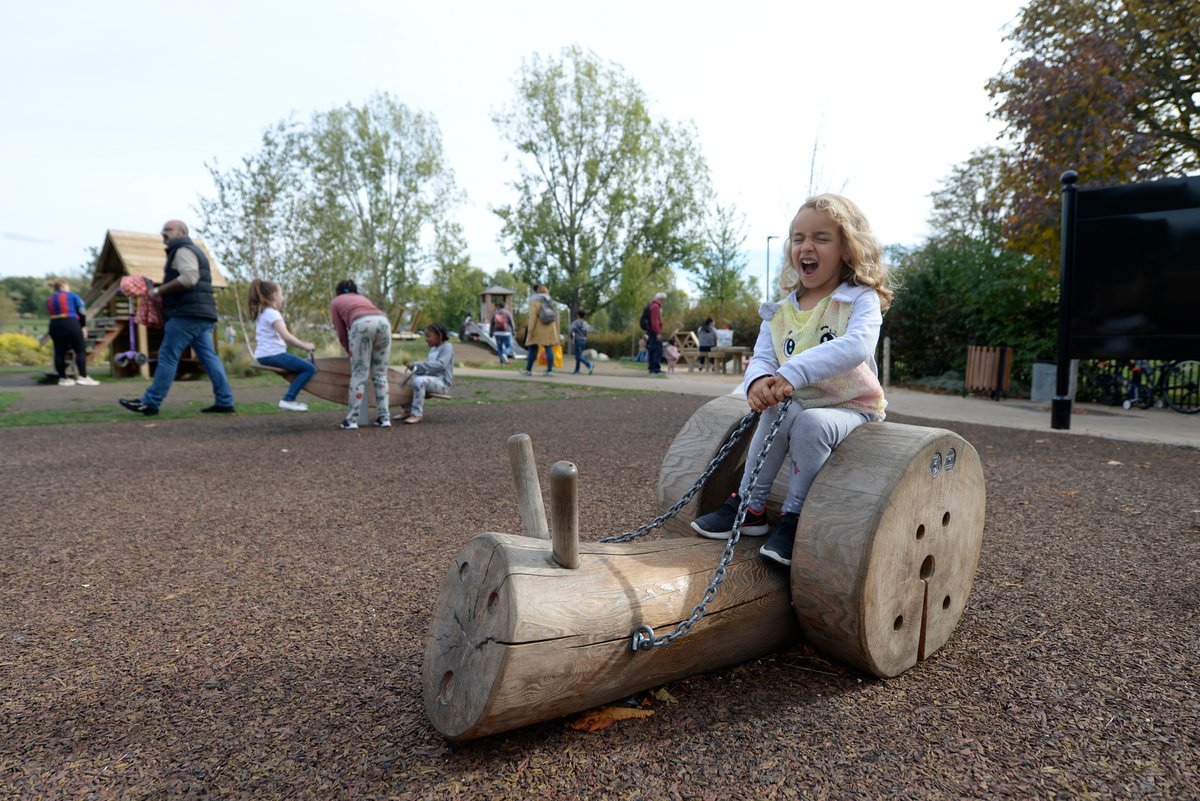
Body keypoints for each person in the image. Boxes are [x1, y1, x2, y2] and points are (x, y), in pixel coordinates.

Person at [690, 194, 891, 568]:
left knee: (810, 424)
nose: (806, 247)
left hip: (850, 406)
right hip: (799, 399)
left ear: (848, 249)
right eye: (798, 238)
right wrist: (760, 382)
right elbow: (764, 355)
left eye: (821, 238)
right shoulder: (781, 311)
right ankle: (750, 507)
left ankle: (795, 518)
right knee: (776, 411)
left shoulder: (857, 299)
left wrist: (792, 372)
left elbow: (856, 346)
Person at [119, 220, 235, 416]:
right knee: (209, 359)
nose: (163, 233)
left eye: (168, 230)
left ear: (182, 232)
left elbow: (189, 278)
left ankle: (150, 402)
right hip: (203, 314)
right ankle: (225, 401)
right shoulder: (192, 250)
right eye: (162, 229)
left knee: (168, 356)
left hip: (186, 314)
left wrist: (158, 291)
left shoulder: (182, 250)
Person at [329, 279, 392, 430]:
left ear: (338, 291)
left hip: (361, 325)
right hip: (384, 323)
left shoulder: (335, 302)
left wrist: (348, 350)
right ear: (355, 290)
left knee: (359, 374)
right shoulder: (363, 298)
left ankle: (351, 420)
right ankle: (384, 418)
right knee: (380, 374)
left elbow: (341, 331)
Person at [248, 279, 317, 412]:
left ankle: (290, 399)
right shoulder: (273, 313)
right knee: (309, 368)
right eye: (282, 294)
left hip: (265, 355)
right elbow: (287, 337)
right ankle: (289, 399)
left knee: (302, 366)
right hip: (273, 354)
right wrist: (305, 346)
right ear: (274, 296)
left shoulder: (263, 312)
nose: (283, 298)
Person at [45, 280, 99, 386]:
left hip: (54, 324)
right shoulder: (73, 296)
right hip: (71, 323)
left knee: (59, 351)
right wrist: (82, 326)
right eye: (68, 286)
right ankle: (83, 377)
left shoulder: (49, 300)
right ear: (63, 286)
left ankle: (63, 378)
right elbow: (82, 311)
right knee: (80, 350)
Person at [402, 323, 454, 424]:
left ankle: (416, 414)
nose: (426, 339)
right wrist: (415, 368)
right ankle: (407, 410)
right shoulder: (432, 349)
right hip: (431, 380)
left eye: (428, 336)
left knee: (419, 381)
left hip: (442, 382)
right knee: (404, 380)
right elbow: (429, 368)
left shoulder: (447, 347)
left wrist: (418, 364)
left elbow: (440, 365)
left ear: (438, 336)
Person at [520, 284, 560, 376]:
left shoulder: (534, 301)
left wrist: (530, 331)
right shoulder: (550, 300)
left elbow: (532, 317)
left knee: (532, 348)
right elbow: (556, 316)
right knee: (548, 348)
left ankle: (528, 370)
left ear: (536, 291)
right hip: (551, 327)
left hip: (538, 327)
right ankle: (549, 371)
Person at [646, 292, 666, 375]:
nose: (664, 302)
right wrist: (658, 332)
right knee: (657, 349)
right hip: (655, 332)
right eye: (664, 300)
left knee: (653, 349)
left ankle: (652, 368)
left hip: (652, 331)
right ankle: (655, 369)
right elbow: (654, 321)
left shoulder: (652, 305)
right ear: (661, 299)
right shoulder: (656, 307)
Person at [569, 310, 593, 375]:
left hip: (578, 340)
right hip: (584, 340)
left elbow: (571, 330)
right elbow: (588, 330)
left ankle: (589, 365)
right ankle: (577, 370)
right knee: (579, 355)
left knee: (578, 356)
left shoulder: (575, 323)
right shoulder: (585, 323)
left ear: (578, 315)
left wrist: (571, 337)